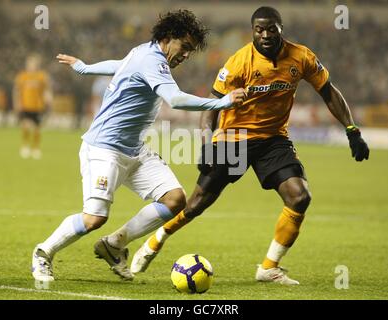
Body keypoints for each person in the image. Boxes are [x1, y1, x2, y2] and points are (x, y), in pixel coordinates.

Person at [130, 6, 370, 285]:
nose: (266, 34)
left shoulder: (301, 57)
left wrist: (352, 130)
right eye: (259, 29)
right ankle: (156, 240)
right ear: (253, 31)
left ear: (281, 28)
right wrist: (207, 145)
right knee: (196, 204)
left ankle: (268, 268)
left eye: (271, 29)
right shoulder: (239, 62)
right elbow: (211, 107)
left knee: (300, 197)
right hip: (234, 137)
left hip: (273, 140)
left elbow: (328, 90)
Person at [31, 10, 246, 282]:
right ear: (169, 38)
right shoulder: (152, 60)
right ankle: (43, 252)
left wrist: (86, 67)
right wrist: (222, 102)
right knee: (93, 219)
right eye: (185, 47)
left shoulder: (143, 52)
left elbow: (120, 64)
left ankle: (114, 245)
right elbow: (176, 99)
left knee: (175, 199)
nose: (187, 54)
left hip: (134, 149)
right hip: (104, 148)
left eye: (191, 50)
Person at [13, 54, 52, 159]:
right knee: (25, 126)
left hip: (38, 106)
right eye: (30, 64)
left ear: (37, 65)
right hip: (25, 105)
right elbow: (17, 91)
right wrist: (17, 103)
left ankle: (35, 148)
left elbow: (46, 90)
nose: (32, 66)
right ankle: (25, 146)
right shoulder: (22, 76)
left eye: (34, 64)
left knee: (37, 129)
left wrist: (48, 99)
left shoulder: (42, 76)